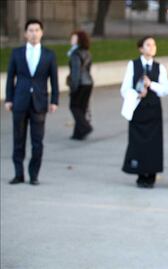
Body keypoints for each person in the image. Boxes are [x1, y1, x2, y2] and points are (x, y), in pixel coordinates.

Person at [5, 19, 59, 186]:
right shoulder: (16, 53)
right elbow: (10, 78)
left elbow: (54, 81)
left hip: (39, 103)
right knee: (18, 140)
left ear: (41, 33)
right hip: (19, 102)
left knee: (37, 141)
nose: (34, 33)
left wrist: (54, 100)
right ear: (25, 34)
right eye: (30, 30)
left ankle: (33, 175)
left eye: (37, 30)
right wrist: (8, 99)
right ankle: (18, 174)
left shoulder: (49, 55)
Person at [120, 36, 168, 188]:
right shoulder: (132, 65)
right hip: (138, 110)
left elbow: (166, 89)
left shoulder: (159, 67)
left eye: (154, 44)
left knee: (154, 144)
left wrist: (151, 84)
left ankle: (152, 174)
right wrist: (136, 93)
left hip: (153, 111)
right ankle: (141, 174)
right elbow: (124, 89)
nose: (152, 47)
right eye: (148, 45)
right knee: (138, 142)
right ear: (141, 48)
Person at [67, 30, 94, 140]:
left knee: (74, 107)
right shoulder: (87, 52)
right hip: (89, 83)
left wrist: (73, 87)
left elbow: (76, 72)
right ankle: (78, 134)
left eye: (74, 38)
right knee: (82, 108)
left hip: (80, 83)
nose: (71, 40)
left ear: (79, 40)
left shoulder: (75, 54)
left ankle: (85, 127)